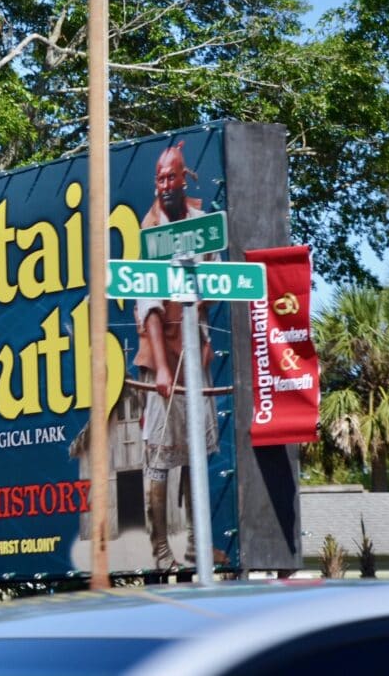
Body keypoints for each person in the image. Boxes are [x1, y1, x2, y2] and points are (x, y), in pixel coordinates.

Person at [134, 143, 221, 571]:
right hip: (162, 359)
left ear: (184, 178)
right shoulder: (151, 229)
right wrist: (164, 369)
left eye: (172, 177)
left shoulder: (202, 222)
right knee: (159, 455)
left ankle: (194, 547)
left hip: (194, 352)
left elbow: (214, 280)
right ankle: (159, 553)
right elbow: (148, 303)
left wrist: (201, 332)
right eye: (160, 178)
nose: (165, 185)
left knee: (196, 450)